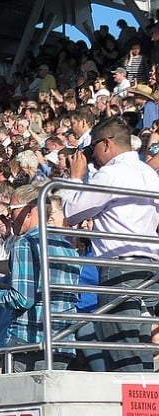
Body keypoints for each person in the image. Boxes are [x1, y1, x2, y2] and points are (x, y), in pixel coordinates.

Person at [65, 115, 159, 371]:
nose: (91, 155)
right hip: (149, 267)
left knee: (123, 348)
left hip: (119, 267)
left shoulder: (110, 173)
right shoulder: (147, 172)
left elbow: (72, 213)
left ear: (106, 144)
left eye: (92, 147)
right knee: (139, 345)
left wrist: (75, 177)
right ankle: (146, 408)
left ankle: (137, 410)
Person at [0, 183, 80, 371]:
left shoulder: (24, 243)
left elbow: (22, 299)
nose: (8, 217)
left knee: (17, 400)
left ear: (29, 211)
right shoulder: (66, 245)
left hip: (28, 340)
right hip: (63, 340)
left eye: (11, 210)